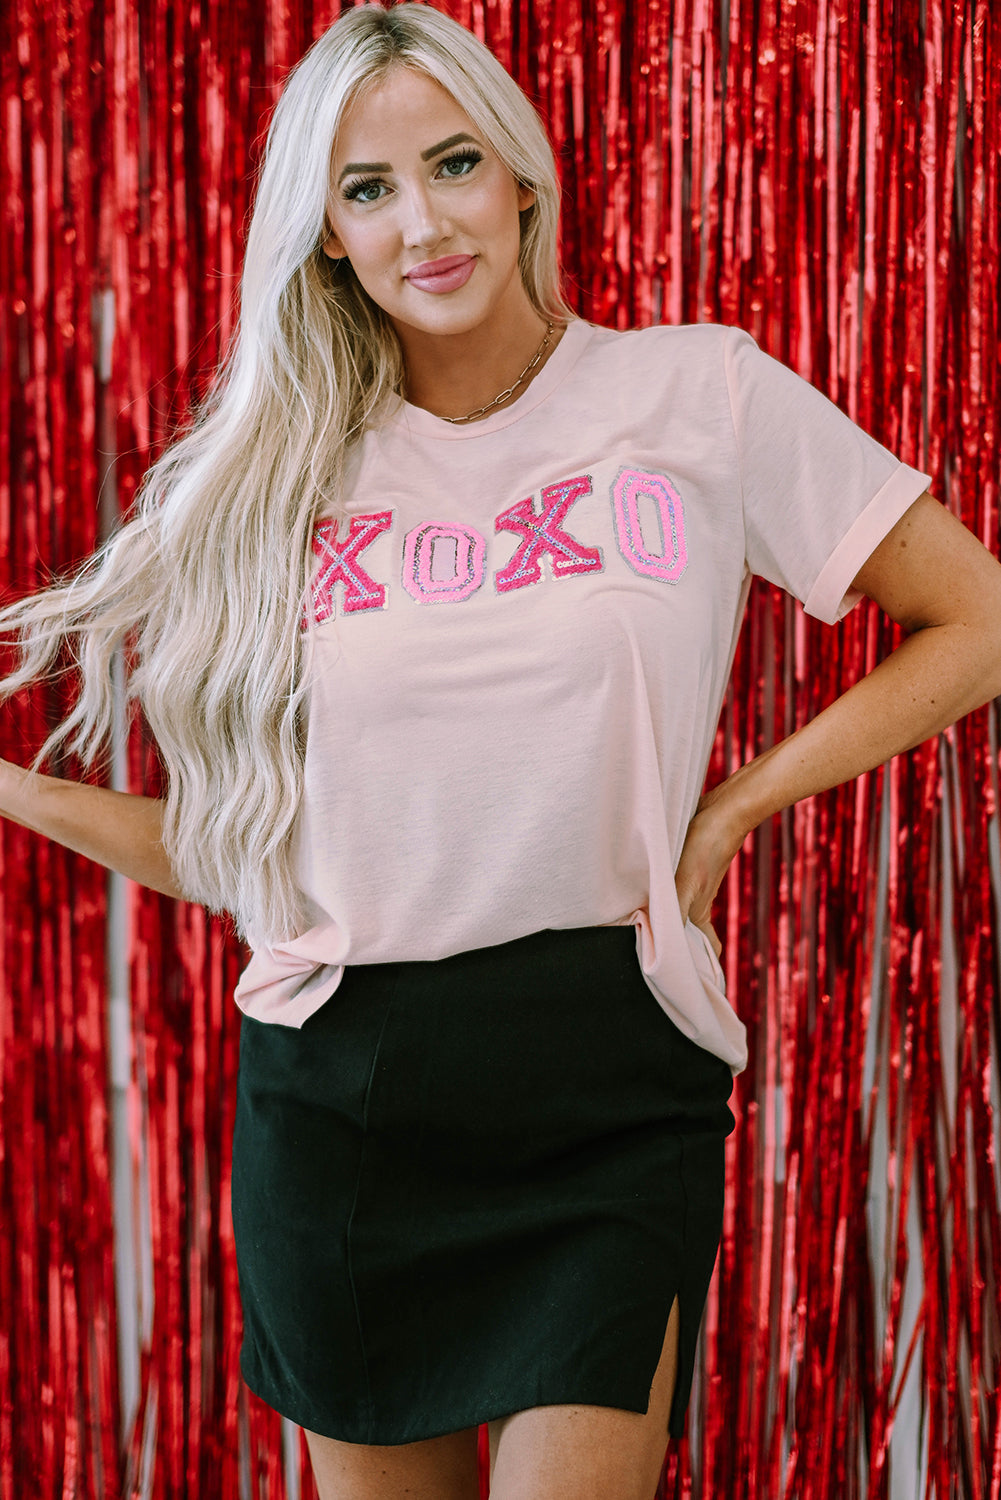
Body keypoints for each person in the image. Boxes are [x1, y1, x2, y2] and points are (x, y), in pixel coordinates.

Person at [1, 4, 1000, 1497]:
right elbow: (245, 857)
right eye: (368, 188)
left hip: (606, 1077)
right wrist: (16, 792)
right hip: (341, 1096)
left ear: (523, 177)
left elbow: (977, 619)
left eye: (454, 162)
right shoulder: (278, 478)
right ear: (327, 236)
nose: (423, 221)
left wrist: (736, 805)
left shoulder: (697, 394)